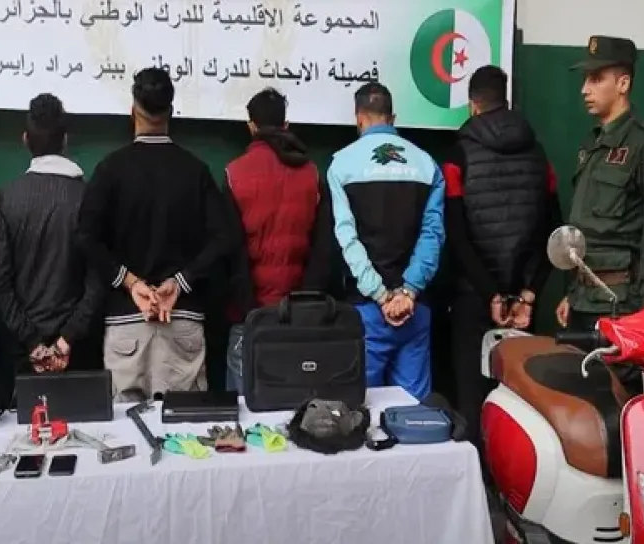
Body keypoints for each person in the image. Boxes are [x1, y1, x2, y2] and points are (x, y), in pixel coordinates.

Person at [76, 67, 231, 400]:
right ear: (171, 111)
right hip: (182, 319)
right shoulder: (195, 170)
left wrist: (130, 282)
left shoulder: (110, 169)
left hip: (126, 323)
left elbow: (86, 237)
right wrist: (181, 282)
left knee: (126, 427)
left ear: (133, 110)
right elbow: (223, 238)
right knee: (185, 428)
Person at [441, 65, 562, 455]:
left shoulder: (459, 155)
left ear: (473, 105)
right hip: (523, 302)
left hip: (473, 298)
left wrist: (490, 294)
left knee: (471, 400)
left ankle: (477, 484)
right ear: (505, 100)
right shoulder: (539, 154)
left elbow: (456, 234)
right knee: (518, 405)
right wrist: (528, 294)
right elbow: (554, 231)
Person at [326, 82, 445, 401]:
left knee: (362, 409)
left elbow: (347, 239)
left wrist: (380, 295)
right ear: (392, 118)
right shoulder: (427, 164)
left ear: (359, 119)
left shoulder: (341, 165)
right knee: (412, 411)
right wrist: (408, 291)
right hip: (414, 308)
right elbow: (432, 235)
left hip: (366, 311)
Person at [558, 36, 644, 332]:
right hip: (583, 300)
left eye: (596, 79)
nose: (585, 89)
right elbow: (584, 227)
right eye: (585, 79)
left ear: (623, 84)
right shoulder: (591, 145)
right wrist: (572, 293)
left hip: (621, 306)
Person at [222, 87, 333, 393]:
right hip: (300, 317)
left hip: (249, 318)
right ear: (286, 125)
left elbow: (231, 252)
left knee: (244, 412)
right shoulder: (312, 174)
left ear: (251, 127)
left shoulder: (234, 174)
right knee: (294, 405)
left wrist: (249, 311)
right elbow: (323, 249)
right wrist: (306, 304)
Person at [0, 93, 105, 377]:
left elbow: (1, 282)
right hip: (80, 350)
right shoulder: (88, 198)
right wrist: (67, 338)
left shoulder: (6, 199)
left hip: (23, 353)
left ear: (25, 140)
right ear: (65, 140)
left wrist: (33, 343)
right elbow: (98, 278)